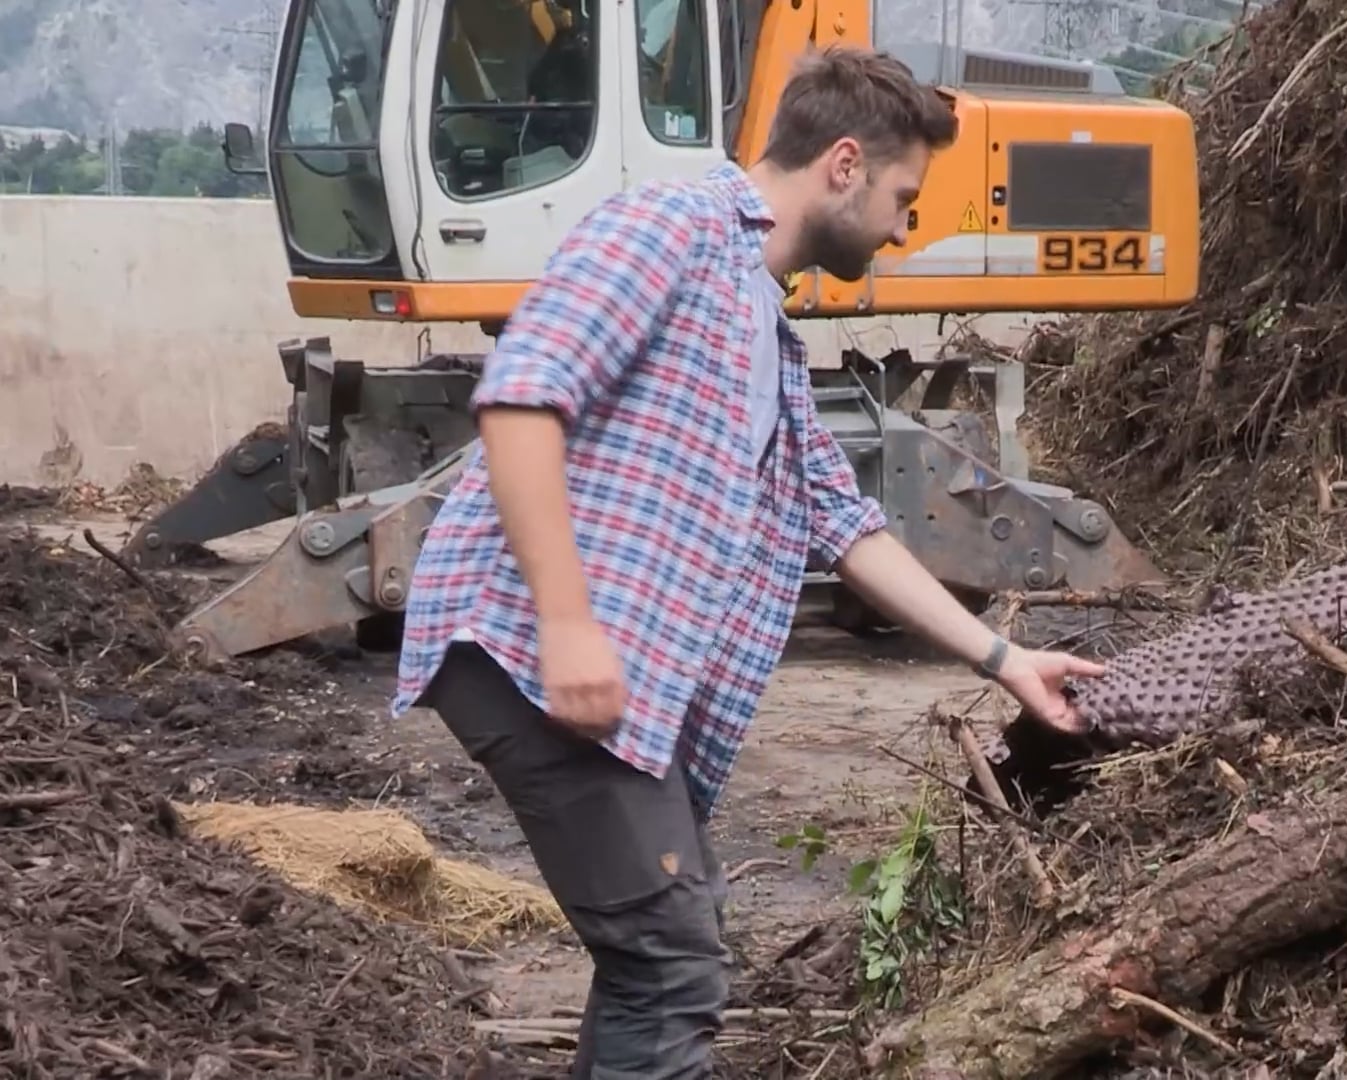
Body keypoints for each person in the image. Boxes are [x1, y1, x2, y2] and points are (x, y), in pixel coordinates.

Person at [388, 45, 1107, 1080]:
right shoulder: (668, 228)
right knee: (673, 963)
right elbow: (520, 399)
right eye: (906, 196)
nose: (908, 226)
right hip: (527, 648)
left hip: (603, 669)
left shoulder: (763, 328)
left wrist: (1004, 659)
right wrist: (569, 623)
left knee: (662, 951)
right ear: (845, 164)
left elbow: (848, 529)